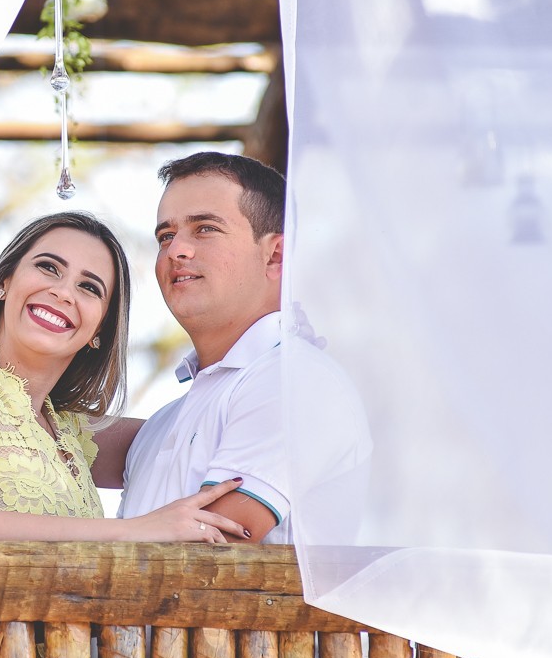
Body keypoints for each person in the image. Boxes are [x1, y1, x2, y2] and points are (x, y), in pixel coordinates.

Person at [0, 211, 249, 542]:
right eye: (49, 267)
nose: (63, 293)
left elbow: (201, 428)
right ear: (4, 281)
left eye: (89, 288)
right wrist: (135, 530)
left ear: (99, 330)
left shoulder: (71, 432)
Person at [118, 152, 372, 544]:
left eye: (205, 229)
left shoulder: (296, 379)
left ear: (275, 255)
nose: (176, 251)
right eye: (165, 236)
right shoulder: (163, 422)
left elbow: (211, 559)